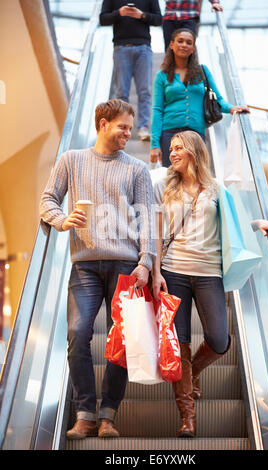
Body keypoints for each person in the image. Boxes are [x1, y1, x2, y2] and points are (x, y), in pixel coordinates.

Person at [152, 130, 268, 438]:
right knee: (180, 343)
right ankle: (188, 418)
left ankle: (194, 373)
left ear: (195, 151)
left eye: (178, 148)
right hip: (173, 273)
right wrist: (156, 270)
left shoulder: (215, 189)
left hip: (209, 272)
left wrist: (256, 224)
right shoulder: (163, 188)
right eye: (170, 148)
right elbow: (155, 233)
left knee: (220, 339)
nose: (172, 153)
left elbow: (233, 223)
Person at [40, 99, 155, 439]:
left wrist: (146, 263)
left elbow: (149, 218)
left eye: (130, 129)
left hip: (125, 265)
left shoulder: (136, 169)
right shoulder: (71, 160)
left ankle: (108, 416)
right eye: (122, 127)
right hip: (85, 266)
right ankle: (84, 413)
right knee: (78, 334)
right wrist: (62, 221)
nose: (128, 133)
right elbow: (48, 199)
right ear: (102, 124)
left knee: (121, 340)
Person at [150, 28, 249, 167]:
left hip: (196, 134)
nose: (184, 45)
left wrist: (231, 108)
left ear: (193, 48)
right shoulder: (162, 75)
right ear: (171, 44)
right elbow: (157, 109)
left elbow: (217, 99)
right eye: (180, 41)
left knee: (195, 176)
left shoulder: (203, 71)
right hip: (169, 134)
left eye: (189, 42)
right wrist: (154, 144)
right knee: (173, 177)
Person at [100, 0, 162, 142]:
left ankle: (143, 127)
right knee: (121, 92)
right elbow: (102, 19)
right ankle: (121, 127)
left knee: (145, 91)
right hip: (121, 47)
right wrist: (119, 13)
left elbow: (159, 19)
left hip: (144, 47)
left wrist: (142, 15)